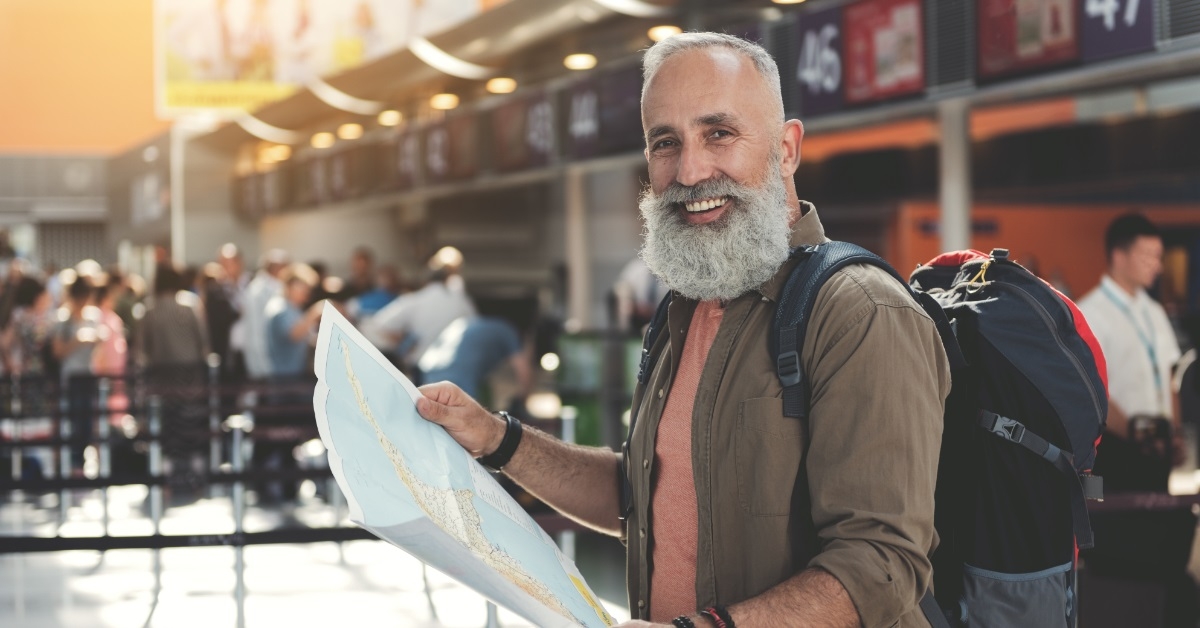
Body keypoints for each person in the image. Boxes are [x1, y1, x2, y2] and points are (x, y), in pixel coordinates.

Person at [416, 33, 949, 627]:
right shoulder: (683, 313)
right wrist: (496, 438)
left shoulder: (859, 312)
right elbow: (642, 498)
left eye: (719, 133)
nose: (691, 171)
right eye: (665, 142)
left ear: (787, 149)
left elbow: (882, 564)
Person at [1077, 213, 1196, 626]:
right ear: (1119, 256)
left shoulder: (1153, 311)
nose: (1157, 265)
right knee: (1125, 547)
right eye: (1149, 255)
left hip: (1155, 449)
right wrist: (1138, 435)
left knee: (1159, 539)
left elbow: (1167, 376)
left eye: (1159, 256)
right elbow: (1095, 390)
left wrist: (1173, 433)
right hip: (1121, 450)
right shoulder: (1092, 312)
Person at [361, 247, 475, 375]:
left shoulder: (414, 301)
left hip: (424, 372)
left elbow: (375, 326)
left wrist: (397, 341)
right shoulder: (464, 303)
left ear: (425, 280)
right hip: (462, 368)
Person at [417, 315, 532, 402]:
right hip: (459, 376)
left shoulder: (473, 324)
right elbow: (523, 369)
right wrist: (523, 398)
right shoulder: (508, 332)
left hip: (429, 370)